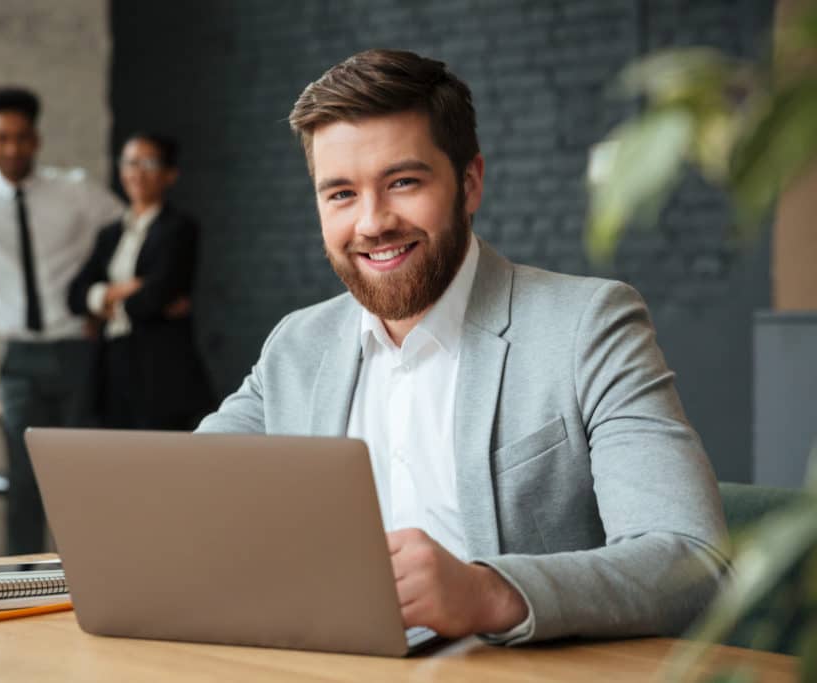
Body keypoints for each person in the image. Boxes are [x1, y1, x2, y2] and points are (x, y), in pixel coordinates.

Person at [197, 49, 730, 643]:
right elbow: (182, 495)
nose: (372, 222)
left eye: (402, 182)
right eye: (341, 194)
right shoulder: (297, 345)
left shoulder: (588, 327)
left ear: (469, 183)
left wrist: (487, 592)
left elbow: (692, 564)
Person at [0, 87, 124, 554]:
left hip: (76, 350)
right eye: (1, 138)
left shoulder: (76, 191)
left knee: (80, 480)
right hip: (18, 358)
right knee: (22, 484)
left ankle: (91, 581)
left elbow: (126, 231)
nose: (12, 148)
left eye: (22, 138)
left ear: (37, 141)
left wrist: (101, 299)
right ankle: (20, 585)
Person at [67, 133, 214, 429]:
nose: (137, 172)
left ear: (170, 174)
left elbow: (154, 297)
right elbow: (73, 295)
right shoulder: (109, 234)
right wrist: (121, 293)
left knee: (162, 466)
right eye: (130, 162)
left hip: (162, 372)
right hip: (112, 368)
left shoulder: (179, 229)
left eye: (149, 163)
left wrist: (104, 304)